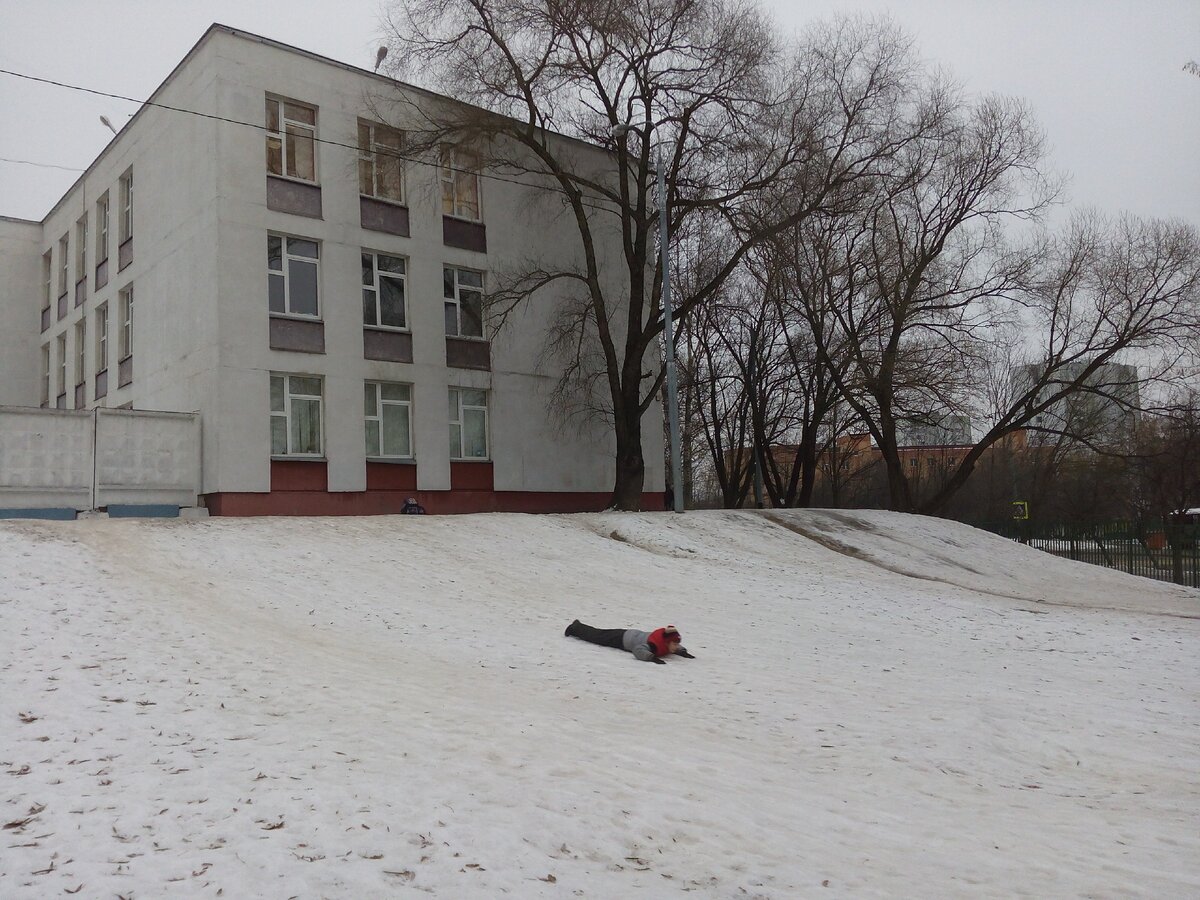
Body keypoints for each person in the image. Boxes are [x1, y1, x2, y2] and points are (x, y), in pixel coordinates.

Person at [564, 620, 695, 664]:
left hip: (631, 635)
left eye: (677, 644)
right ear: (667, 642)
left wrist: (682, 652)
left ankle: (577, 627)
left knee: (599, 634)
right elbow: (638, 650)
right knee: (597, 636)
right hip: (622, 639)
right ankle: (576, 627)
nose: (677, 646)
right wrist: (651, 658)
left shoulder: (667, 643)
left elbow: (675, 646)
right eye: (675, 644)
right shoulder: (654, 644)